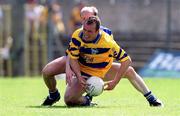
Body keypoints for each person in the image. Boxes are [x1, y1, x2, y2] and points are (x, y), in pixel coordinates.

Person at [41, 7, 163, 107]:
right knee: (47, 72)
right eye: (83, 19)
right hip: (80, 66)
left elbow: (126, 61)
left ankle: (152, 99)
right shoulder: (78, 34)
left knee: (129, 71)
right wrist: (76, 74)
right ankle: (54, 94)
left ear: (96, 22)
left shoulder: (107, 40)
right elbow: (71, 55)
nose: (85, 33)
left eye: (87, 18)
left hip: (99, 70)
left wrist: (115, 82)